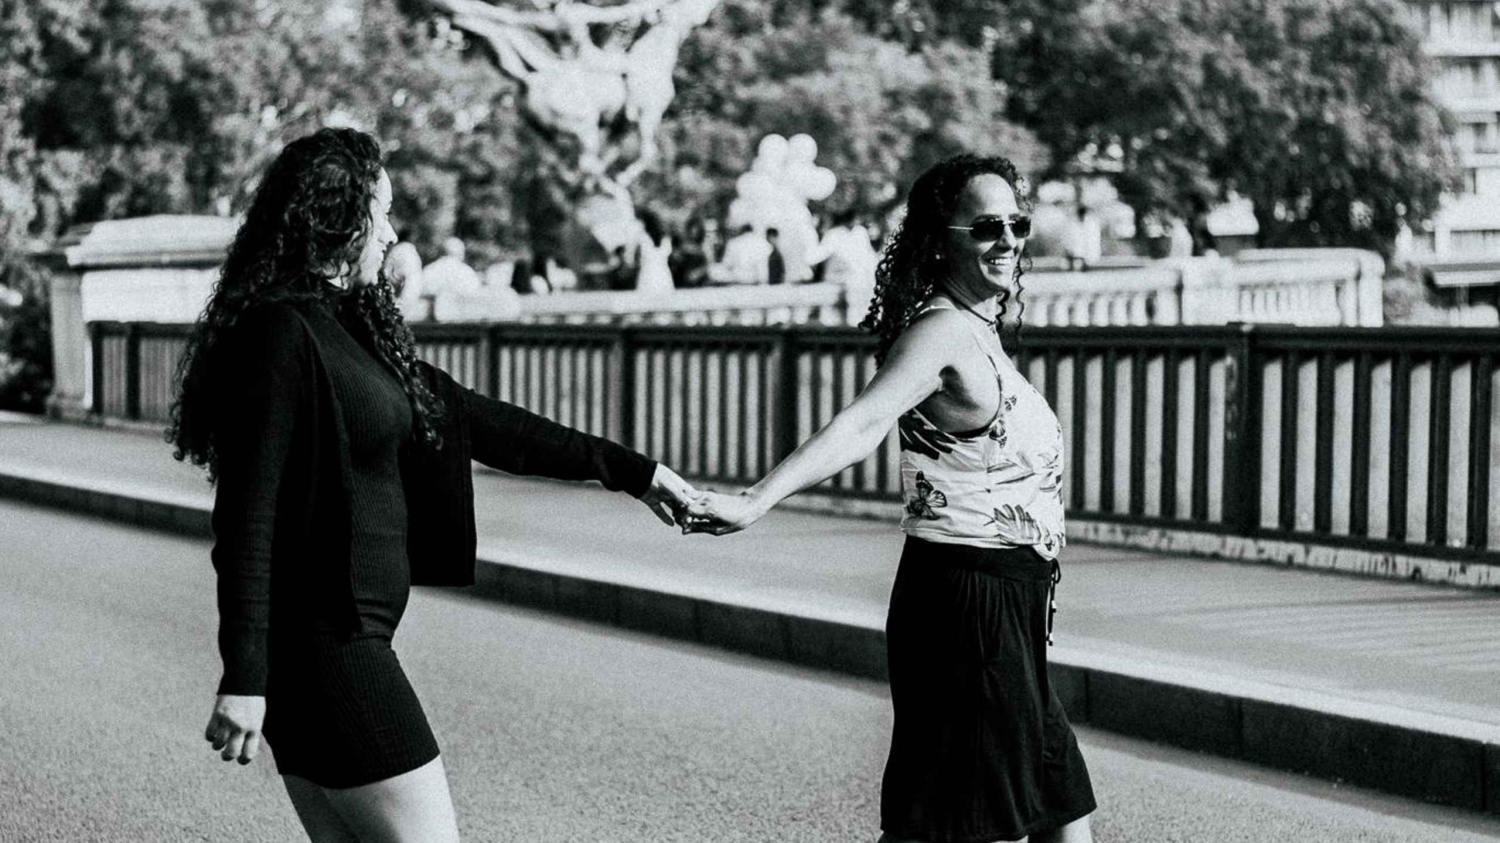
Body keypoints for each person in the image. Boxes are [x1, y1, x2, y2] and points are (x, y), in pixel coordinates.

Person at [168, 128, 700, 843]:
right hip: (329, 650)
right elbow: (246, 519)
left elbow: (487, 423)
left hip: (339, 647)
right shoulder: (282, 334)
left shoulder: (350, 327)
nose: (392, 232)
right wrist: (244, 676)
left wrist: (637, 472)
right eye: (380, 212)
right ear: (337, 216)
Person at [684, 154, 1096, 843]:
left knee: (1060, 810)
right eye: (988, 227)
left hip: (1009, 603)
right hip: (968, 602)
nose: (1009, 240)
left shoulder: (976, 327)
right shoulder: (941, 332)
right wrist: (756, 499)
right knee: (979, 824)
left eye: (1016, 223)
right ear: (941, 240)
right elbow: (861, 422)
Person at [635, 210, 676, 294]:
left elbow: (636, 260)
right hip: (663, 274)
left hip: (647, 274)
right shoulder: (666, 238)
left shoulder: (642, 238)